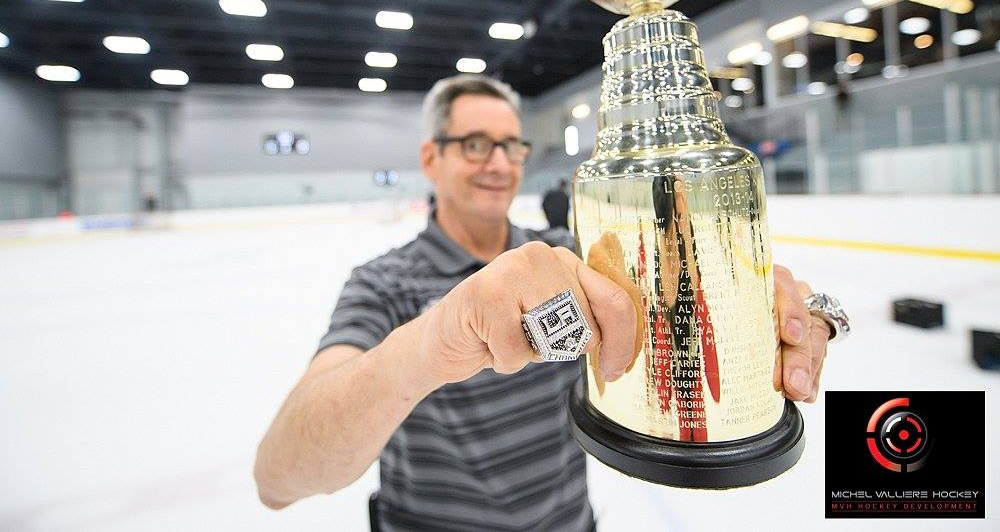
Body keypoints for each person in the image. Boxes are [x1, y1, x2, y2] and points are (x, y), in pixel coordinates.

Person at [254, 75, 833, 530]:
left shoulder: (571, 257)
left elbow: (684, 299)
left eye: (511, 145)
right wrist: (436, 338)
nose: (499, 163)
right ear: (432, 158)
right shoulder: (383, 283)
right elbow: (278, 478)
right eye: (476, 144)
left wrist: (766, 304)